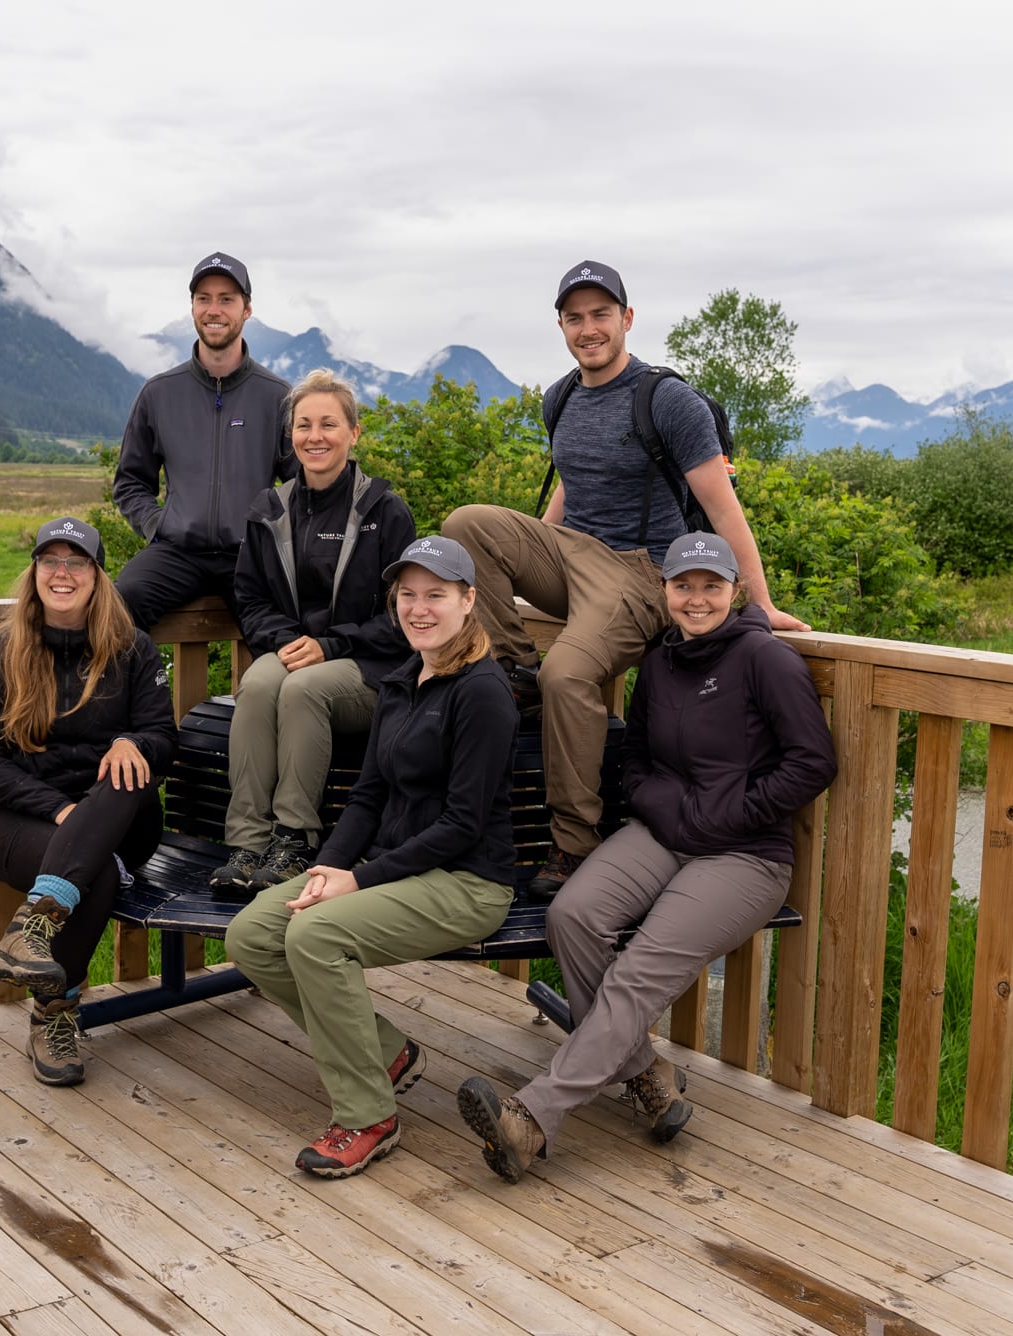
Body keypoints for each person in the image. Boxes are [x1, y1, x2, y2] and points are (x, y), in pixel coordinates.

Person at [455, 531, 835, 1181]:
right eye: (683, 585)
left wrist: (726, 813)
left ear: (735, 592)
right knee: (571, 915)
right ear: (663, 592)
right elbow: (633, 757)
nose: (695, 599)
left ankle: (531, 1119)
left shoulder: (765, 661)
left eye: (710, 586)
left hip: (744, 857)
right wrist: (659, 803)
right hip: (663, 834)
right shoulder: (657, 662)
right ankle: (646, 1076)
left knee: (637, 971)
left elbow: (812, 762)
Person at [441, 259, 807, 901]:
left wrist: (763, 602)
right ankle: (515, 673)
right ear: (560, 325)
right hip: (573, 553)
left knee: (570, 674)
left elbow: (723, 509)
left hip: (640, 571)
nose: (589, 328)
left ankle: (572, 843)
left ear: (627, 319)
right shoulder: (560, 397)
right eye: (575, 317)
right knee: (467, 522)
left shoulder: (666, 400)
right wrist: (521, 567)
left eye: (600, 314)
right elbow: (566, 499)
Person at [224, 535, 519, 1178]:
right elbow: (367, 797)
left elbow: (463, 824)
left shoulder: (483, 693)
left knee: (315, 934)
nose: (419, 608)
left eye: (435, 596)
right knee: (252, 934)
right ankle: (385, 1052)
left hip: (466, 881)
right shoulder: (402, 680)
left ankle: (367, 1117)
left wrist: (358, 880)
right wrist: (325, 868)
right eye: (407, 595)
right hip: (393, 867)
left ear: (469, 602)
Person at [0, 517, 178, 1087]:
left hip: (123, 816)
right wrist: (63, 813)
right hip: (29, 819)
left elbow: (164, 737)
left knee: (127, 770)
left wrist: (135, 741)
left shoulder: (131, 648)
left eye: (76, 561)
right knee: (96, 876)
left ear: (96, 575)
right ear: (34, 572)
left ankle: (32, 928)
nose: (63, 573)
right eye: (50, 561)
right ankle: (54, 1014)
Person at [209, 368, 418, 894]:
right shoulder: (270, 512)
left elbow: (403, 617)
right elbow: (249, 599)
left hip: (370, 668)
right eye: (304, 425)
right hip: (295, 652)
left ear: (354, 432)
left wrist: (330, 645)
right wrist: (288, 641)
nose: (315, 436)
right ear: (291, 435)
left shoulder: (384, 511)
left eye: (329, 424)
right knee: (257, 685)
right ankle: (247, 842)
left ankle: (294, 840)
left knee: (304, 688)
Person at [112, 252, 294, 631]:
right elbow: (130, 480)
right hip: (175, 552)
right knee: (117, 610)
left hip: (250, 556)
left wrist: (273, 537)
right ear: (192, 307)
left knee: (283, 631)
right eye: (204, 298)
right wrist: (156, 524)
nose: (214, 309)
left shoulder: (277, 396)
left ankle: (270, 692)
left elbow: (303, 485)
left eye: (226, 299)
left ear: (247, 310)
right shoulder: (159, 393)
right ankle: (141, 691)